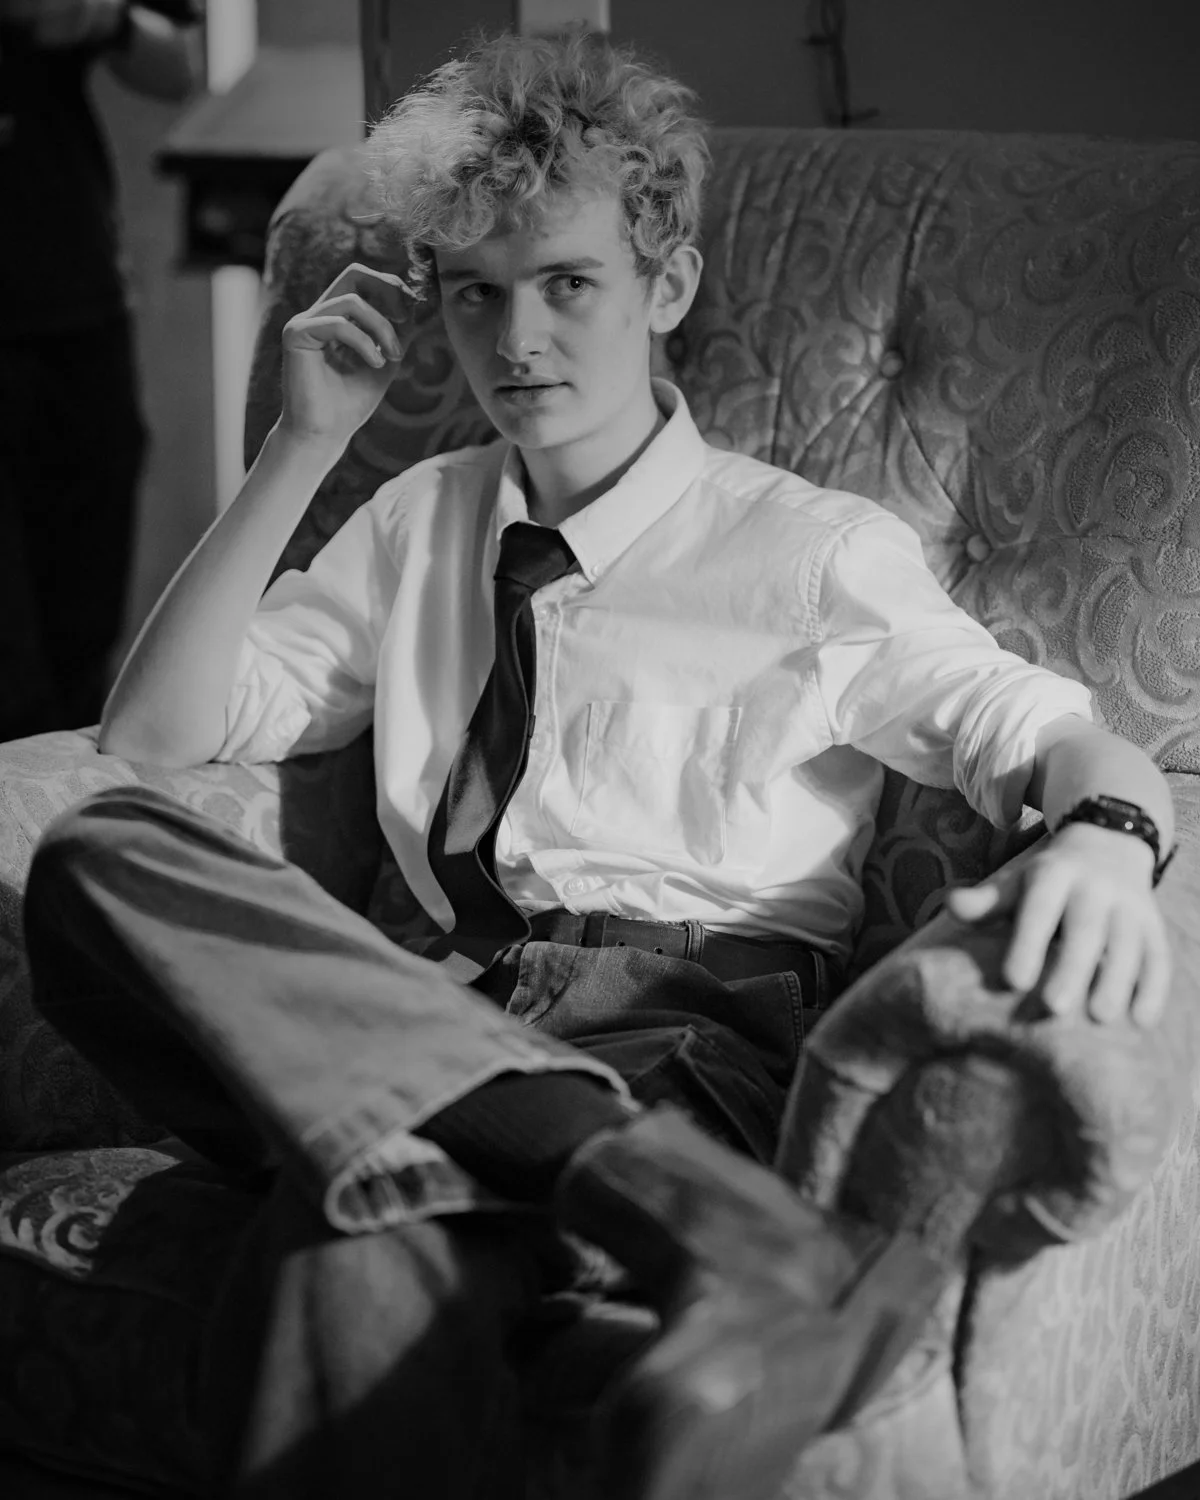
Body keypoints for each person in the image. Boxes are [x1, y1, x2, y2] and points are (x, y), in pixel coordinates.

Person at [22, 28, 1174, 1500]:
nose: (519, 344)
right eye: (476, 297)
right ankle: (670, 1217)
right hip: (417, 1005)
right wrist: (301, 452)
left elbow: (1062, 736)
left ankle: (616, 1178)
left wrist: (1100, 841)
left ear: (666, 289)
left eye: (570, 286)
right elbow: (154, 739)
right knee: (100, 857)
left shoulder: (809, 555)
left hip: (678, 1033)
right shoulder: (416, 521)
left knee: (337, 1248)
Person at [0, 0, 201, 740]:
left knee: (80, 634)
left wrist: (102, 18)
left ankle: (57, 826)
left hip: (68, 290)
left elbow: (176, 63)